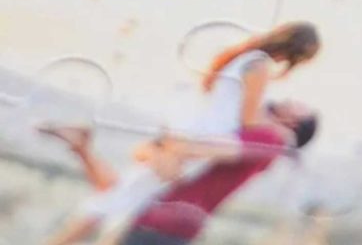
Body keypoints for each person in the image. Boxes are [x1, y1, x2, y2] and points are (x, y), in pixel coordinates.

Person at [40, 23, 321, 245]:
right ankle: (80, 150)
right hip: (206, 138)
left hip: (199, 132)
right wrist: (279, 136)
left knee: (126, 190)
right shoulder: (259, 66)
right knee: (121, 195)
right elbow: (249, 120)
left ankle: (81, 147)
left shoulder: (244, 58)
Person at [46, 100, 318, 245]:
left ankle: (80, 146)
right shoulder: (263, 141)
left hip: (164, 223)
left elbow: (197, 150)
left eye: (297, 106)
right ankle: (81, 147)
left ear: (294, 123)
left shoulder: (271, 138)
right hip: (171, 222)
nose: (289, 100)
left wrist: (170, 134)